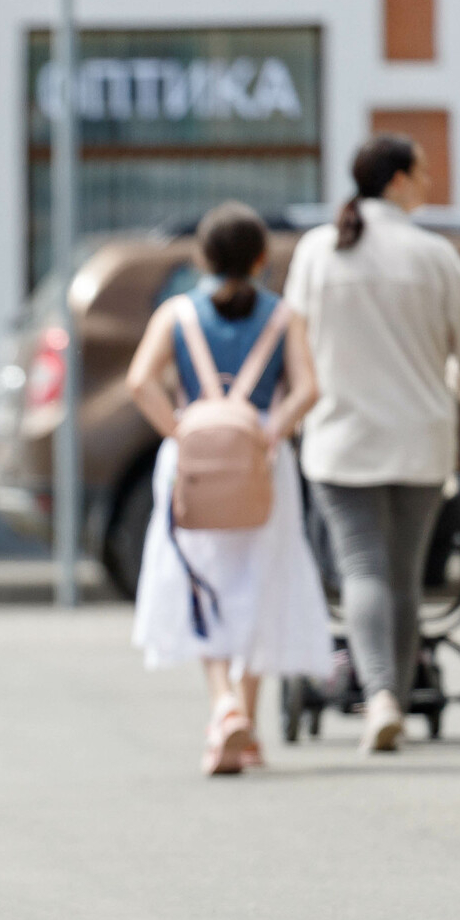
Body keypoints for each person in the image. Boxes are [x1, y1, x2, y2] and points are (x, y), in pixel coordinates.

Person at [284, 134, 460, 755]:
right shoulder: (435, 257)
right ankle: (394, 697)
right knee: (403, 576)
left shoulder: (316, 253)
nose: (429, 184)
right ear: (399, 180)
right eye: (424, 172)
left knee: (361, 567)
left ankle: (379, 695)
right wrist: (454, 388)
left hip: (338, 441)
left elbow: (294, 345)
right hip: (421, 442)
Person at [126, 202, 332, 774]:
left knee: (203, 585)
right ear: (263, 258)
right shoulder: (283, 315)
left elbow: (140, 381)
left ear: (202, 257)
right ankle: (246, 718)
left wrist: (181, 432)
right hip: (262, 468)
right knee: (259, 584)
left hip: (191, 469)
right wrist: (270, 431)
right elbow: (308, 389)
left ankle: (222, 707)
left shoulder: (176, 313)